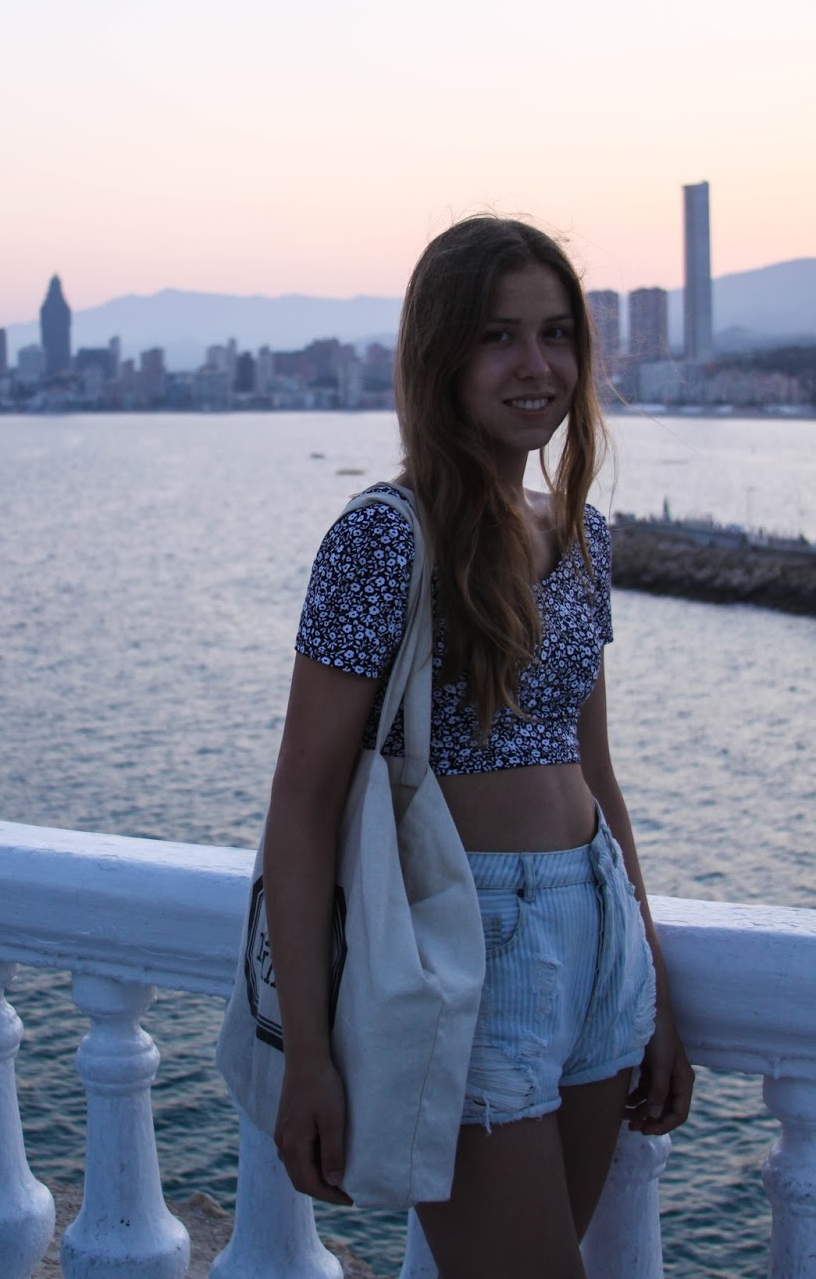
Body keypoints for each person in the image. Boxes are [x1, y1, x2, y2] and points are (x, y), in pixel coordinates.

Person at [262, 216, 694, 1279]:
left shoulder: (582, 535)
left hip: (595, 931)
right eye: (499, 336)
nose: (535, 365)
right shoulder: (382, 538)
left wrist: (650, 980)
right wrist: (307, 1052)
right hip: (464, 949)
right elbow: (303, 801)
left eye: (556, 333)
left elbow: (595, 769)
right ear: (440, 356)